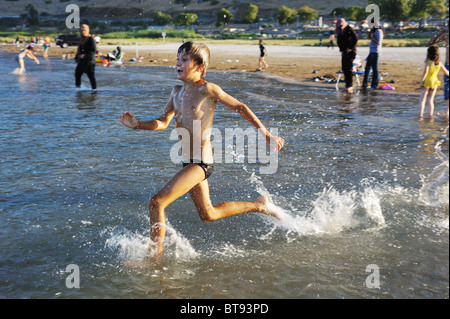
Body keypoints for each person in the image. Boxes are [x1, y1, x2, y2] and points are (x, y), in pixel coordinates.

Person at [119, 41, 284, 262]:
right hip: (188, 162)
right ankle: (260, 205)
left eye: (184, 59)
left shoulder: (207, 89)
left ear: (199, 66)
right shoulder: (176, 91)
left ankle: (153, 260)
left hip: (201, 163)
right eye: (178, 58)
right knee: (209, 214)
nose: (178, 63)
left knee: (156, 202)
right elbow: (162, 122)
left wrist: (266, 134)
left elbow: (240, 107)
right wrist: (137, 124)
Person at [418, 45, 449, 118]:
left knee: (422, 99)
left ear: (429, 53)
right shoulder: (439, 63)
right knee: (431, 100)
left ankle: (420, 115)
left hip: (427, 82)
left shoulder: (428, 62)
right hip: (435, 82)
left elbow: (425, 73)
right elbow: (447, 72)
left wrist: (421, 82)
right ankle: (430, 115)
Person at [428, 27, 449, 118]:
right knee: (447, 88)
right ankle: (447, 112)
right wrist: (439, 33)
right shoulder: (446, 36)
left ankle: (446, 112)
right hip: (447, 64)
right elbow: (431, 43)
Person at [336, 18, 358, 93]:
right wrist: (341, 50)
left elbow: (355, 39)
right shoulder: (339, 30)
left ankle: (350, 86)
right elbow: (338, 41)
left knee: (348, 68)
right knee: (344, 68)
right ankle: (347, 85)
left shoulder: (349, 29)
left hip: (351, 51)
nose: (341, 26)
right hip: (344, 52)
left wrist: (351, 48)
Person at [75, 24, 97, 91]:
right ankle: (78, 89)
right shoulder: (82, 39)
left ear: (87, 30)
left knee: (91, 76)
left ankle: (94, 90)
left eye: (84, 30)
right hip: (82, 61)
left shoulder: (90, 39)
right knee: (77, 73)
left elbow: (93, 50)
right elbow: (80, 50)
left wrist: (85, 55)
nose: (83, 32)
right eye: (81, 30)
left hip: (90, 61)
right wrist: (77, 57)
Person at [362, 25, 384, 90]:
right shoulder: (374, 31)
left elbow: (378, 42)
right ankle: (364, 84)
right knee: (367, 68)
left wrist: (372, 37)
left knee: (375, 69)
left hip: (376, 52)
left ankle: (374, 85)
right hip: (371, 52)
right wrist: (370, 34)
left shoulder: (379, 31)